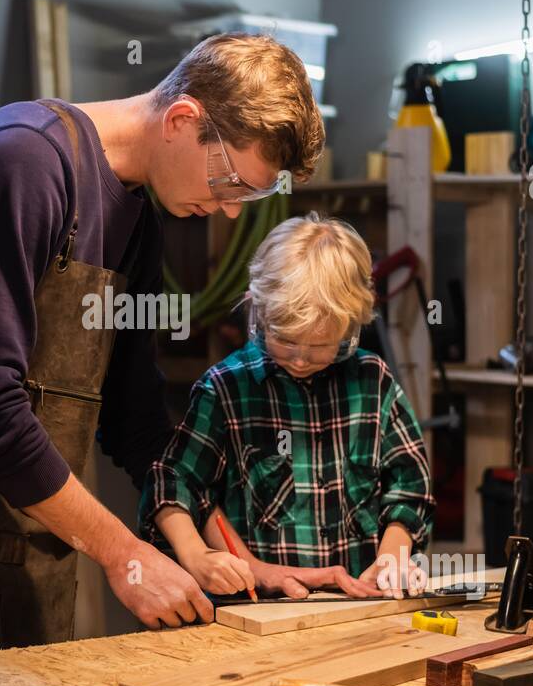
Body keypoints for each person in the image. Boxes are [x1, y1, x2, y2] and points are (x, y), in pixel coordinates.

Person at [0, 32, 327, 667]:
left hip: (35, 554)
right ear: (182, 119)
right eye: (232, 181)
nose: (231, 211)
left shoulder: (139, 220)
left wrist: (211, 542)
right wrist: (126, 555)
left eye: (250, 196)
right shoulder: (20, 164)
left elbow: (136, 418)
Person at [140, 212, 434, 601]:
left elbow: (410, 488)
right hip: (259, 610)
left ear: (349, 326)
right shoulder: (226, 388)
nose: (299, 359)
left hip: (358, 605)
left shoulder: (372, 381)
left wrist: (392, 557)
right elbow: (171, 483)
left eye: (318, 347)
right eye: (285, 341)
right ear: (260, 315)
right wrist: (197, 556)